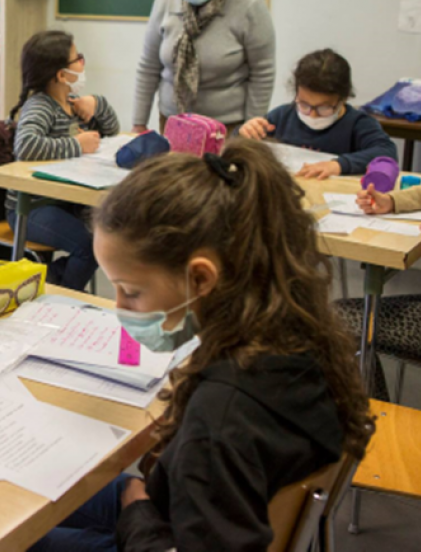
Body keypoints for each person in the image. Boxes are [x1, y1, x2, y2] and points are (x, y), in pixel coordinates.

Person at [31, 139, 373, 551]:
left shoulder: (219, 423)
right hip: (201, 512)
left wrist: (137, 518)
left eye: (130, 291)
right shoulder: (293, 333)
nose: (118, 306)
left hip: (178, 529)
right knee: (47, 487)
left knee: (8, 535)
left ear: (201, 279)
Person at [132, 0, 275, 134]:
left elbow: (262, 71)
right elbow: (148, 66)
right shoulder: (166, 0)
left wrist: (251, 128)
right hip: (173, 121)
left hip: (228, 128)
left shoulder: (250, 5)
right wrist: (139, 124)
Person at [9, 30, 119, 291]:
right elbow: (25, 146)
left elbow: (112, 130)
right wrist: (76, 146)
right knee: (90, 246)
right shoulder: (41, 106)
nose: (83, 63)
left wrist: (97, 104)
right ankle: (60, 293)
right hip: (31, 208)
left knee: (113, 236)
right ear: (61, 74)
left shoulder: (72, 104)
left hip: (64, 201)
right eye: (77, 59)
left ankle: (48, 281)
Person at [240, 49, 397, 179]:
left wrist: (338, 164)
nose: (312, 115)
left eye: (324, 108)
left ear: (343, 98)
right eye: (304, 104)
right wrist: (245, 132)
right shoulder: (282, 117)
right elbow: (239, 146)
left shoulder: (358, 124)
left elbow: (387, 152)